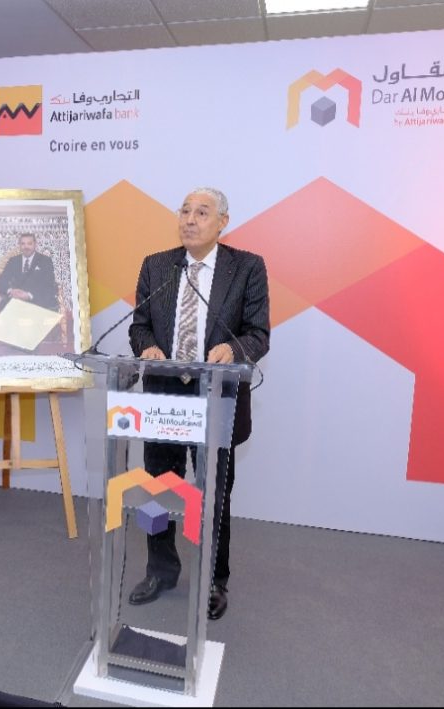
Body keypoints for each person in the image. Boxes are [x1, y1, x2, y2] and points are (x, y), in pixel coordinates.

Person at [127, 186, 270, 620]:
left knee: (213, 495)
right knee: (157, 490)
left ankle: (214, 579)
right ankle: (160, 570)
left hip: (215, 396)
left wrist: (233, 349)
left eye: (202, 212)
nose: (190, 219)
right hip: (164, 397)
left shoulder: (246, 267)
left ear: (223, 221)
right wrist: (147, 347)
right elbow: (138, 325)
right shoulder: (157, 265)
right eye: (185, 211)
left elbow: (258, 334)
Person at [0, 233, 58, 312]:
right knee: (3, 308)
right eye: (23, 244)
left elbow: (48, 284)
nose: (26, 247)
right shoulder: (13, 261)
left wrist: (29, 295)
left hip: (36, 299)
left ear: (35, 244)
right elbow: (2, 280)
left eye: (29, 244)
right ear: (19, 245)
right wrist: (11, 291)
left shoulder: (45, 261)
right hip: (15, 299)